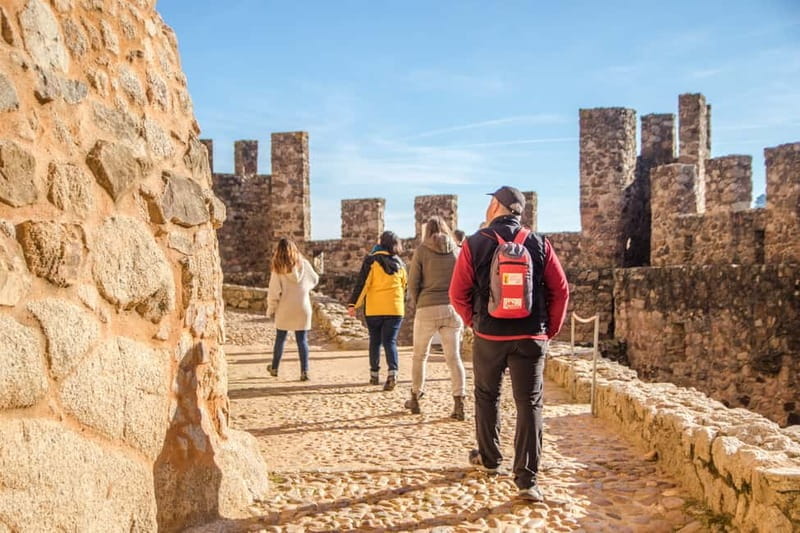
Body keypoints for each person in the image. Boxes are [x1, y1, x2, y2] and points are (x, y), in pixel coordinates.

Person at [449, 186, 569, 502]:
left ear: (496, 206)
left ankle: (490, 460)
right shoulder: (540, 243)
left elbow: (457, 293)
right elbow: (561, 290)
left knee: (487, 395)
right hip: (531, 335)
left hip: (490, 335)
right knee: (529, 403)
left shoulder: (474, 243)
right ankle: (527, 481)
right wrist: (548, 329)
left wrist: (476, 322)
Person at [405, 216, 466, 420]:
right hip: (452, 308)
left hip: (427, 307)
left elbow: (413, 282)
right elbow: (464, 281)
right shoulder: (457, 251)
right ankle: (459, 401)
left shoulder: (422, 251)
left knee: (420, 355)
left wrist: (419, 301)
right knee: (454, 357)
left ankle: (415, 397)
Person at [347, 231, 407, 390]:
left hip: (374, 309)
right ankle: (393, 373)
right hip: (395, 309)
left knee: (375, 341)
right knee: (390, 341)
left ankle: (374, 375)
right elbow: (404, 286)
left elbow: (363, 284)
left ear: (381, 242)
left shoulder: (371, 261)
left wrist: (353, 304)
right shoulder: (400, 263)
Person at [266, 238, 319, 381]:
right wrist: (304, 288)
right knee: (302, 340)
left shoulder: (277, 268)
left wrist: (271, 309)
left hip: (285, 308)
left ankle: (275, 368)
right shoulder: (305, 264)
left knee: (281, 338)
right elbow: (315, 279)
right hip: (303, 306)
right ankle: (305, 371)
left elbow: (274, 292)